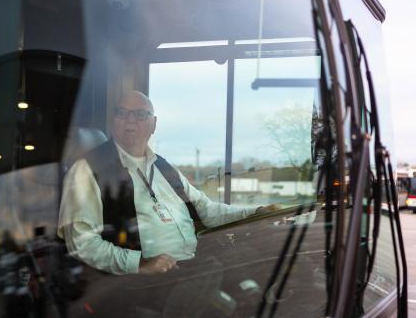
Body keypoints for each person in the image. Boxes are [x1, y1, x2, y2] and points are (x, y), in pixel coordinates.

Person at [58, 91, 265, 276]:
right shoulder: (88, 169)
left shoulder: (165, 168)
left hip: (192, 268)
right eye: (122, 113)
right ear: (113, 120)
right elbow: (81, 243)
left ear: (154, 124)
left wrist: (257, 213)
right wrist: (140, 264)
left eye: (140, 114)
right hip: (140, 286)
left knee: (251, 263)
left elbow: (207, 211)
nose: (130, 121)